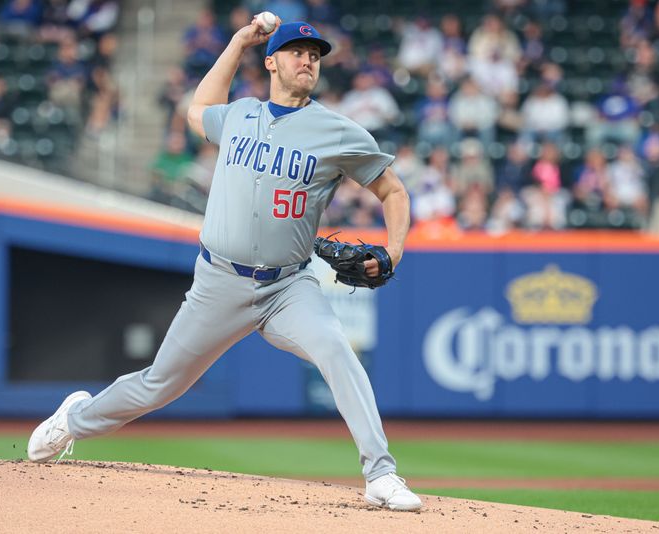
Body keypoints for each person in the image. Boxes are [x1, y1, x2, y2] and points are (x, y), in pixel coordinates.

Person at [27, 18, 421, 512]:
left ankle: (381, 474)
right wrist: (237, 42)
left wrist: (395, 249)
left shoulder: (338, 132)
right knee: (160, 384)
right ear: (272, 61)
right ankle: (75, 420)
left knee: (337, 352)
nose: (308, 60)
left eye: (315, 54)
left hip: (288, 288)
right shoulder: (240, 115)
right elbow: (199, 109)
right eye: (297, 51)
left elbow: (394, 190)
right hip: (218, 283)